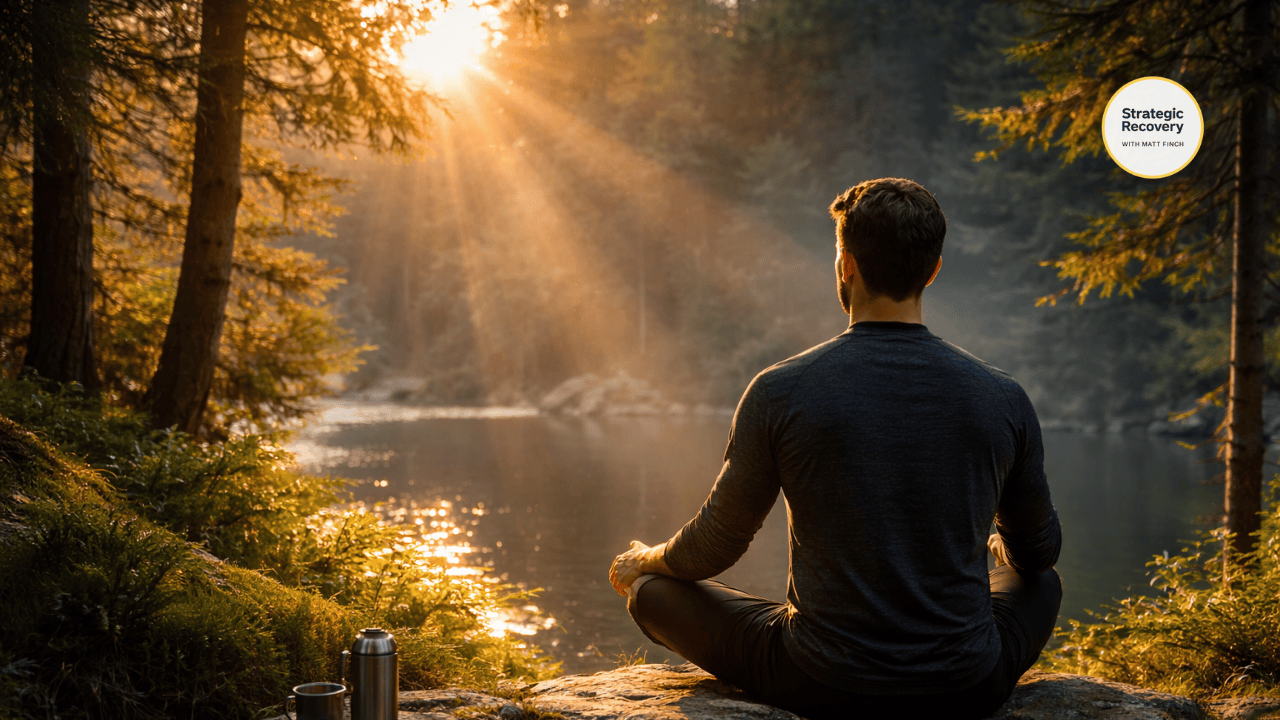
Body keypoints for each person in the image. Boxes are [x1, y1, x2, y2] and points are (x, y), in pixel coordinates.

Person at [607, 177, 1062, 720]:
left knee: (654, 592)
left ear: (846, 264)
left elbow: (713, 547)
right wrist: (999, 550)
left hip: (820, 680)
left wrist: (646, 559)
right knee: (1042, 584)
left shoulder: (781, 389)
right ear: (934, 270)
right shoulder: (1002, 397)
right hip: (967, 684)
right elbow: (1039, 554)